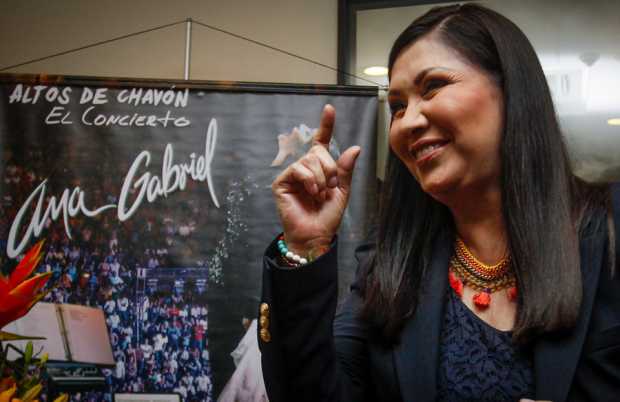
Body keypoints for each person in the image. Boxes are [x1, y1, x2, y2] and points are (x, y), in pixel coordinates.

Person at [258, 3, 620, 402]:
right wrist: (305, 247)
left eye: (432, 87)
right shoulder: (390, 263)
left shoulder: (608, 231)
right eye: (397, 107)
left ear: (510, 90)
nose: (409, 121)